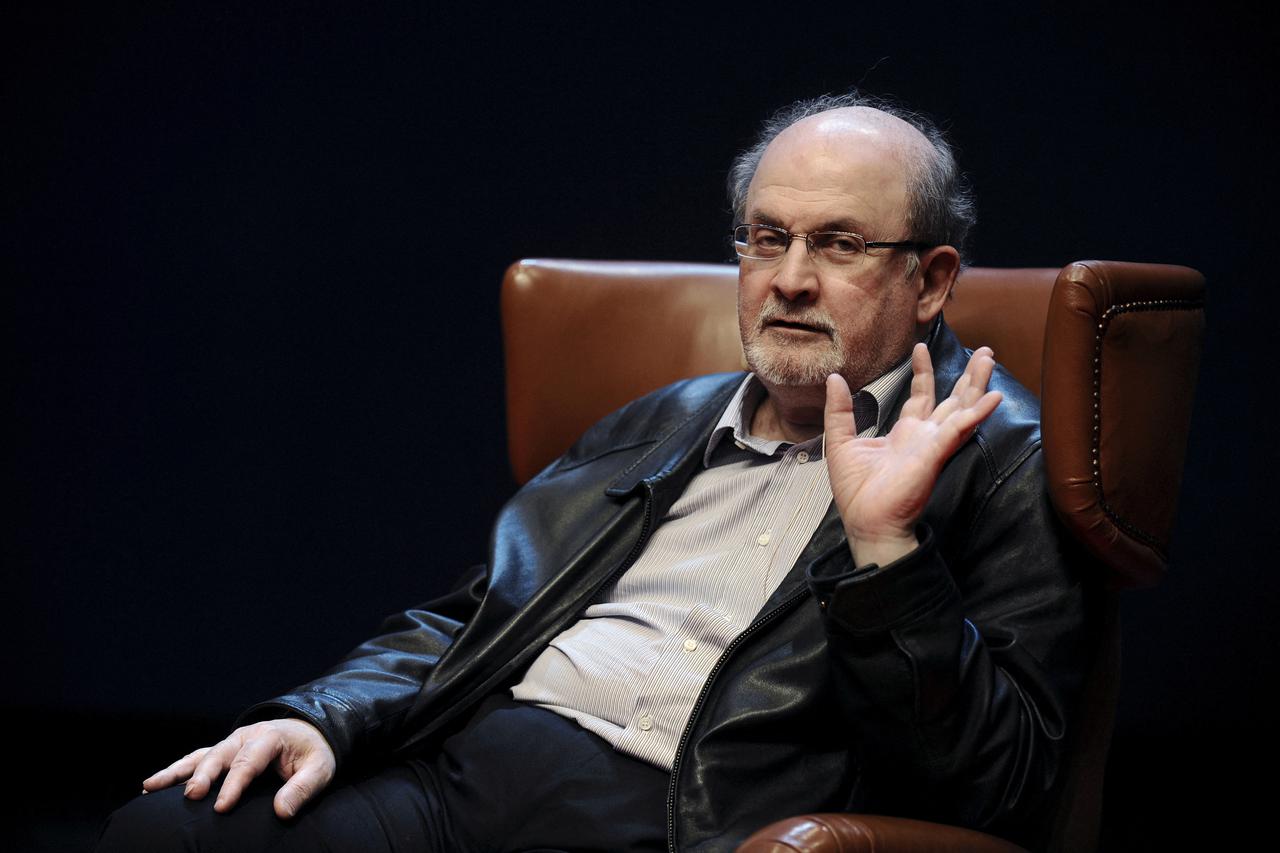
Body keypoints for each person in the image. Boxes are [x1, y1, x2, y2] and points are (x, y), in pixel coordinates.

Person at [98, 91, 1090, 852]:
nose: (788, 277)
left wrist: (885, 553)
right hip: (462, 774)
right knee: (166, 830)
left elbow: (996, 787)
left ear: (931, 281)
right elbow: (471, 618)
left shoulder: (999, 461)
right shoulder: (661, 418)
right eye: (765, 236)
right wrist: (322, 720)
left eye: (837, 244)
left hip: (675, 814)